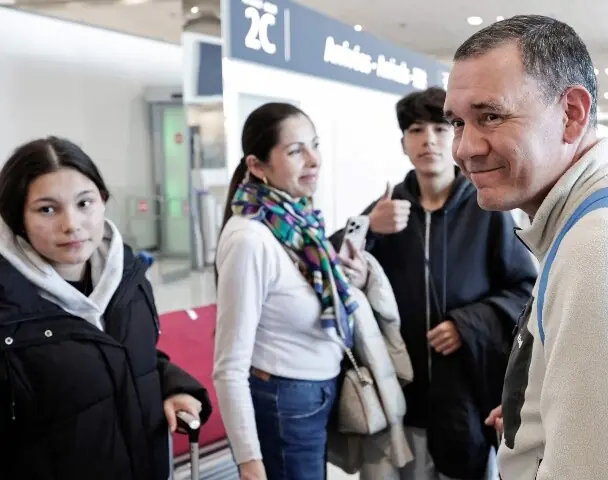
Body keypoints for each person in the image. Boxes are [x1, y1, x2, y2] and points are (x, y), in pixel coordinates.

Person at [445, 15, 608, 479]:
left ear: (571, 114)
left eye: (490, 116)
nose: (464, 148)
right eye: (457, 122)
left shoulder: (603, 249)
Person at [332, 87, 536, 480]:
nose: (428, 141)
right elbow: (330, 260)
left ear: (457, 138)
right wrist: (368, 227)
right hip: (395, 398)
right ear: (403, 143)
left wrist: (467, 324)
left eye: (441, 129)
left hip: (462, 401)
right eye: (415, 130)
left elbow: (523, 291)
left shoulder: (485, 211)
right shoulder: (386, 209)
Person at [0, 136, 210, 479]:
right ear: (17, 218)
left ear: (103, 201)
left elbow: (134, 357)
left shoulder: (127, 277)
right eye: (47, 209)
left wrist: (173, 387)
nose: (72, 224)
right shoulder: (9, 310)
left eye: (84, 203)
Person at [213, 103, 373, 480]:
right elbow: (229, 365)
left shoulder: (299, 222)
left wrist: (354, 276)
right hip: (285, 402)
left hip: (315, 392)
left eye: (313, 145)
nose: (314, 159)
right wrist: (249, 462)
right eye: (295, 150)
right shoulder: (250, 238)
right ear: (257, 166)